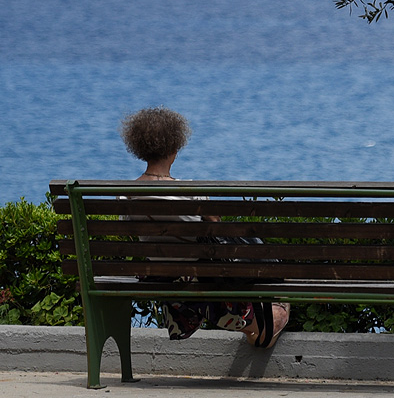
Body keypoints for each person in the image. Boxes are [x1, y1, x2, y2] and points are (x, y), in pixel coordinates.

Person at [120, 107, 288, 347]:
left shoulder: (125, 197)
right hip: (200, 279)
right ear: (174, 150)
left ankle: (256, 330)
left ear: (139, 149)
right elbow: (216, 228)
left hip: (161, 278)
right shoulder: (191, 193)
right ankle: (262, 327)